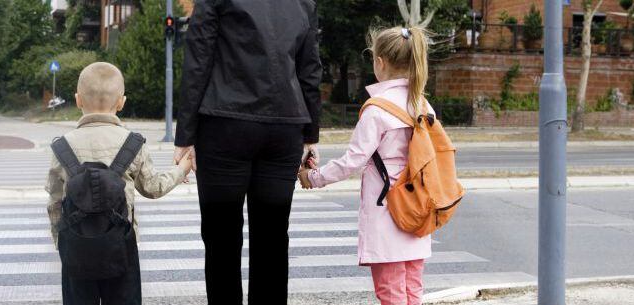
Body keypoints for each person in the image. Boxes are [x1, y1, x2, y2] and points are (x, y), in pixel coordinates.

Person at [172, 1, 323, 304]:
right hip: (284, 126)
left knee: (221, 241)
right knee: (273, 240)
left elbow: (198, 61)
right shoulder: (303, 2)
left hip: (224, 123)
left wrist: (185, 135)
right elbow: (310, 69)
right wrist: (310, 134)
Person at [299, 27, 434, 305]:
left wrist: (313, 177)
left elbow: (352, 161)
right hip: (419, 208)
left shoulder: (377, 110)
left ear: (380, 62)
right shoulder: (423, 104)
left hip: (388, 212)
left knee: (390, 293)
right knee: (412, 292)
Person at [46, 62, 193, 305]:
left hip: (76, 249)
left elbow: (55, 201)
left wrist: (60, 243)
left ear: (77, 100)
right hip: (120, 247)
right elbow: (153, 187)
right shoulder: (132, 143)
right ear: (122, 102)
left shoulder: (63, 146)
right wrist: (181, 170)